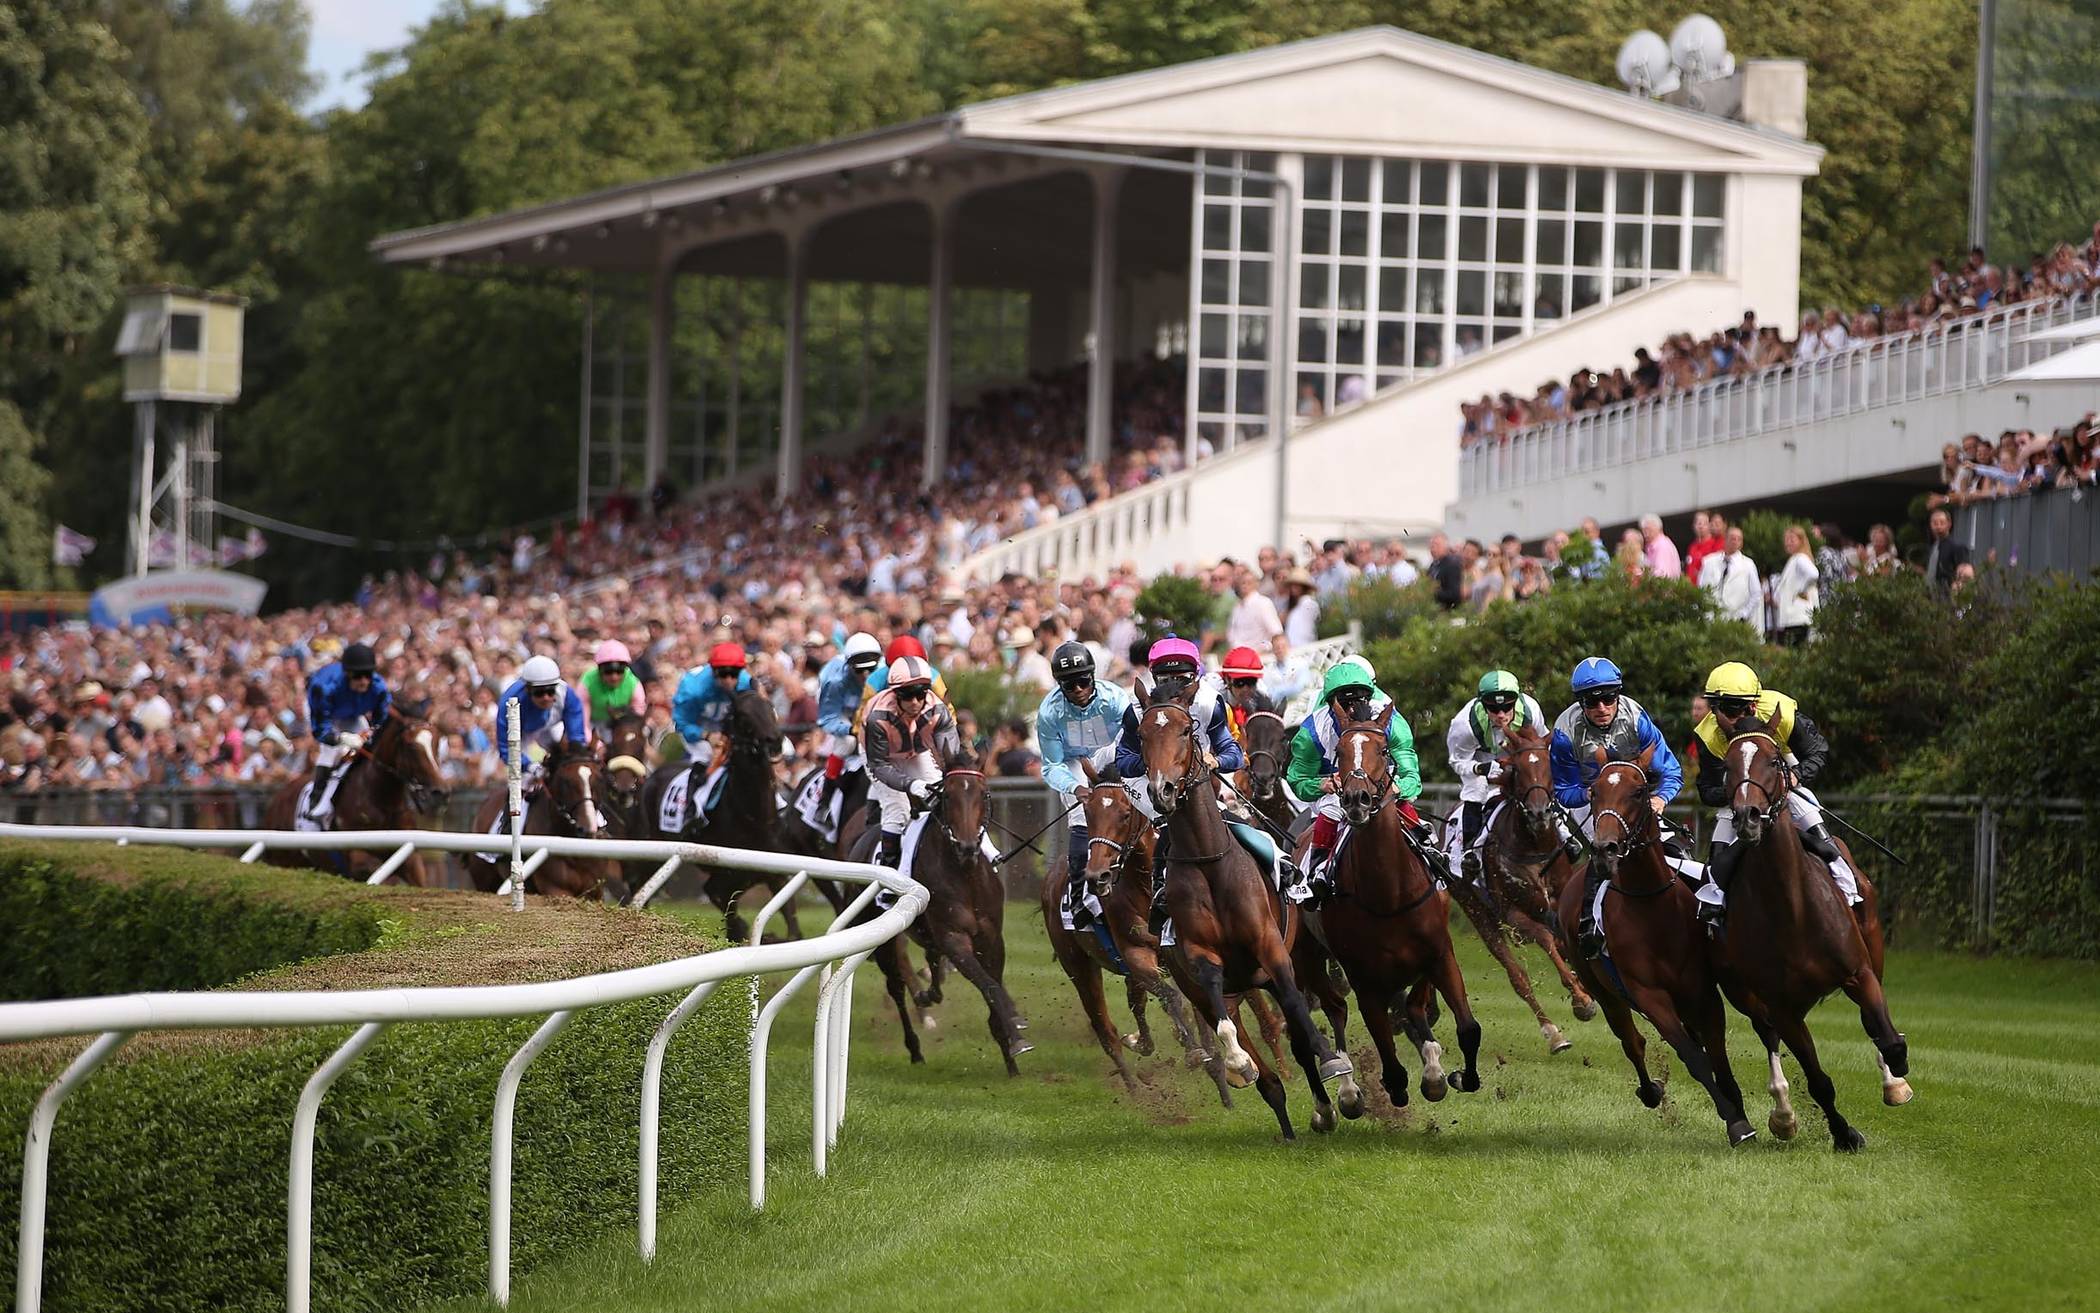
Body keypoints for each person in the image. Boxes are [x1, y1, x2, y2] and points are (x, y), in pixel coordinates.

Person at [1691, 662, 1861, 935]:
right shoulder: (1708, 734)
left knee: (1820, 833)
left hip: (1784, 779)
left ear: (1753, 707)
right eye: (1716, 707)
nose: (1721, 717)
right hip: (1741, 795)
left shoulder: (1783, 713)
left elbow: (1817, 752)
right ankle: (1712, 915)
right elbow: (1708, 789)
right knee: (1716, 857)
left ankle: (1853, 895)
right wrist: (1741, 790)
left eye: (1731, 708)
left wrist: (1794, 777)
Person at [1547, 656, 1684, 958]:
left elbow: (1672, 772)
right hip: (1593, 800)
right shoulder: (1564, 733)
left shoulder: (1637, 718)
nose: (1602, 709)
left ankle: (1699, 913)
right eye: (1592, 702)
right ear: (1580, 702)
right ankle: (1588, 925)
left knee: (1674, 849)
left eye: (1609, 699)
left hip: (1635, 799)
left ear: (1617, 695)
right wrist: (1595, 794)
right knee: (1603, 855)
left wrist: (1659, 799)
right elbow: (1564, 791)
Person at [1114, 636, 1247, 934]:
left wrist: (1215, 760)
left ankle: (1280, 865)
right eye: (1166, 677)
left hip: (1201, 784)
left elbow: (1234, 753)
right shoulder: (1137, 711)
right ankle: (1160, 892)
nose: (1173, 683)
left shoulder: (1210, 702)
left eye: (1181, 677)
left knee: (1240, 823)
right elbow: (1122, 760)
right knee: (1171, 826)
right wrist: (1154, 762)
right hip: (1149, 784)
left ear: (1195, 675)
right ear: (1153, 676)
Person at [1284, 662, 1429, 902]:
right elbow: (1298, 779)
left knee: (1394, 800)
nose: (1352, 709)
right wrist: (1321, 785)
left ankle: (1430, 850)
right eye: (1345, 702)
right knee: (1331, 805)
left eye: (1359, 700)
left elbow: (1410, 770)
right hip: (1335, 787)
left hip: (1378, 781)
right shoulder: (1312, 732)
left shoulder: (1390, 720)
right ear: (1331, 702)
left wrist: (1400, 787)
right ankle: (1317, 869)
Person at [1037, 641, 1133, 929]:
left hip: (1113, 753)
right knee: (1081, 818)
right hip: (1074, 764)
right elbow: (1051, 766)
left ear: (1092, 677)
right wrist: (1075, 788)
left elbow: (1132, 740)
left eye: (1083, 681)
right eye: (1070, 685)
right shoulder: (1049, 712)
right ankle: (1078, 898)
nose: (1078, 689)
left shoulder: (1115, 698)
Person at [861, 655, 964, 873]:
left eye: (920, 694)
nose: (915, 702)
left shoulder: (939, 711)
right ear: (895, 693)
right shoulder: (877, 717)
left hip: (915, 751)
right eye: (908, 695)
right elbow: (879, 766)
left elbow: (952, 758)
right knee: (897, 811)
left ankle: (986, 854)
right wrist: (910, 785)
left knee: (946, 798)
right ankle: (888, 874)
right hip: (880, 757)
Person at [1443, 670, 1546, 887]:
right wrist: (1481, 768)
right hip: (1479, 758)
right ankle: (1470, 851)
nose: (1501, 715)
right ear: (1482, 705)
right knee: (1475, 791)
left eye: (1507, 707)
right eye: (1493, 708)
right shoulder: (1464, 724)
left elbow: (1540, 745)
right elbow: (1457, 761)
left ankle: (1563, 833)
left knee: (1537, 782)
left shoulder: (1531, 710)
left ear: (1516, 702)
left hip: (1517, 753)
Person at [301, 642, 390, 823]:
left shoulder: (379, 687)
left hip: (354, 716)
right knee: (331, 753)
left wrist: (372, 733)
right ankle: (315, 804)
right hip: (328, 717)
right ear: (347, 673)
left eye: (368, 675)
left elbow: (381, 721)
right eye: (358, 676)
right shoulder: (323, 687)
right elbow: (320, 731)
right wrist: (339, 738)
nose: (364, 681)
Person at [496, 654, 586, 797]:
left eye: (551, 691)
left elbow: (576, 737)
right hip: (522, 733)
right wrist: (529, 766)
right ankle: (513, 817)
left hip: (552, 726)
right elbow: (507, 748)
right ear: (527, 690)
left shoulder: (567, 695)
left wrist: (574, 755)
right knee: (524, 781)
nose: (546, 698)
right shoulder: (509, 703)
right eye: (539, 692)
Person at [673, 642, 755, 771]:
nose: (729, 680)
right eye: (723, 674)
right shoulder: (692, 688)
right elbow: (682, 724)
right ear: (713, 671)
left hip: (729, 733)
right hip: (698, 735)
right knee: (704, 759)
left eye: (734, 674)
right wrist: (707, 735)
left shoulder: (746, 684)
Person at [579, 639, 646, 735]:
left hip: (622, 724)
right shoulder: (587, 683)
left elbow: (638, 714)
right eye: (608, 671)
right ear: (599, 669)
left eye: (619, 671)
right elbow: (582, 721)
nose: (614, 677)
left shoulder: (633, 682)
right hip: (594, 724)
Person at [1703, 525, 1763, 630]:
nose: (1735, 541)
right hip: (1713, 619)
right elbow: (1702, 587)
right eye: (1732, 538)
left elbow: (1756, 593)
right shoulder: (1710, 562)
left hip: (1736, 619)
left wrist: (1744, 614)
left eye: (1739, 539)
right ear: (1725, 539)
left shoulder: (1748, 564)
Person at [1774, 525, 1820, 646]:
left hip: (1797, 617)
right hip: (1794, 618)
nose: (1788, 543)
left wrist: (1801, 590)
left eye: (1792, 539)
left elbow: (1814, 574)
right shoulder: (1794, 559)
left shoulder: (1800, 558)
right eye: (1787, 540)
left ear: (1801, 541)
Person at [1923, 507, 1971, 594]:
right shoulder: (1933, 547)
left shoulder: (1957, 546)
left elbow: (1965, 572)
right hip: (1932, 595)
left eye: (1942, 522)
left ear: (1949, 524)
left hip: (1948, 594)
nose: (1938, 526)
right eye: (1935, 523)